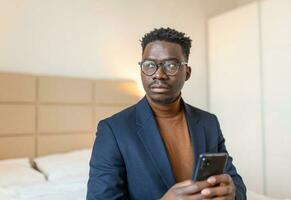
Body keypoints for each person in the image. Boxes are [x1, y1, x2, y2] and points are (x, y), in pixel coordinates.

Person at [87, 27, 246, 200]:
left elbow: (234, 180)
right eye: (149, 65)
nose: (159, 74)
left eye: (170, 65)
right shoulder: (113, 130)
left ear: (187, 73)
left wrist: (233, 192)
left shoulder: (208, 122)